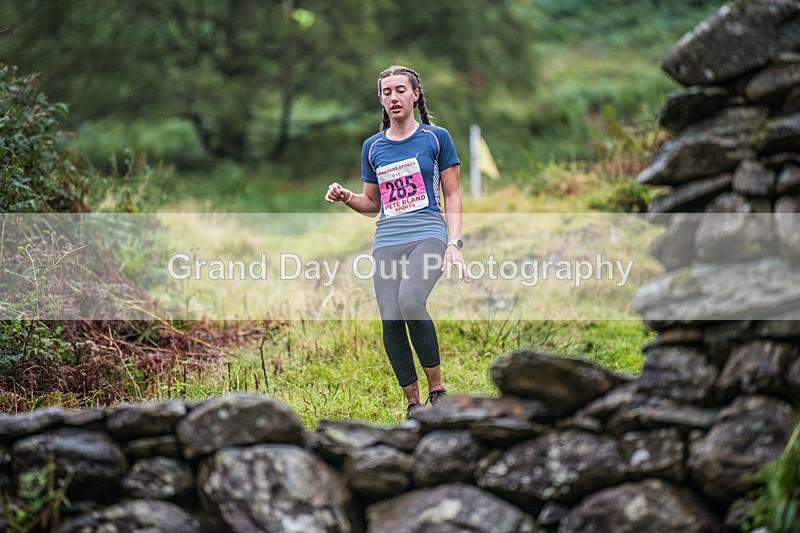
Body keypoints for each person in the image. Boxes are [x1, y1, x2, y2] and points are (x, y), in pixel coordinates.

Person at [325, 65, 469, 419]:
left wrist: (454, 244)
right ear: (380, 99)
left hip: (428, 233)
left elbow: (452, 196)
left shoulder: (437, 138)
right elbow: (373, 205)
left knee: (410, 300)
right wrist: (346, 196)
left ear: (415, 94)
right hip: (387, 238)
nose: (394, 97)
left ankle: (438, 392)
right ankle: (413, 404)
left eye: (401, 90)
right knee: (391, 317)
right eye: (387, 92)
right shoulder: (372, 147)